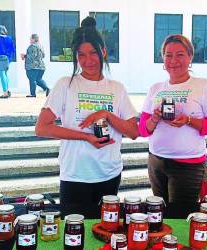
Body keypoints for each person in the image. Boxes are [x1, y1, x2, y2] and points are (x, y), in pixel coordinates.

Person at [35, 17, 138, 209]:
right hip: (75, 174)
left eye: (93, 53)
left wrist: (106, 114)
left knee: (104, 231)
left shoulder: (116, 88)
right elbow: (42, 128)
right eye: (81, 55)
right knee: (74, 233)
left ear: (104, 52)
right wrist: (86, 137)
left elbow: (133, 132)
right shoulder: (66, 84)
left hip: (109, 174)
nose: (87, 60)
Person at [139, 34, 207, 203]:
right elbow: (142, 129)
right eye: (168, 55)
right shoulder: (156, 88)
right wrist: (154, 119)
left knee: (180, 216)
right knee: (160, 212)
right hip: (156, 162)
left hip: (188, 165)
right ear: (162, 58)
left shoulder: (202, 86)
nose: (173, 60)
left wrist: (188, 120)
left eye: (180, 54)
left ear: (190, 57)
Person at [0, 25, 15, 98]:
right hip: (8, 58)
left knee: (2, 75)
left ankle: (5, 93)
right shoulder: (9, 38)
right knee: (5, 74)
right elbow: (13, 49)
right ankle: (7, 90)